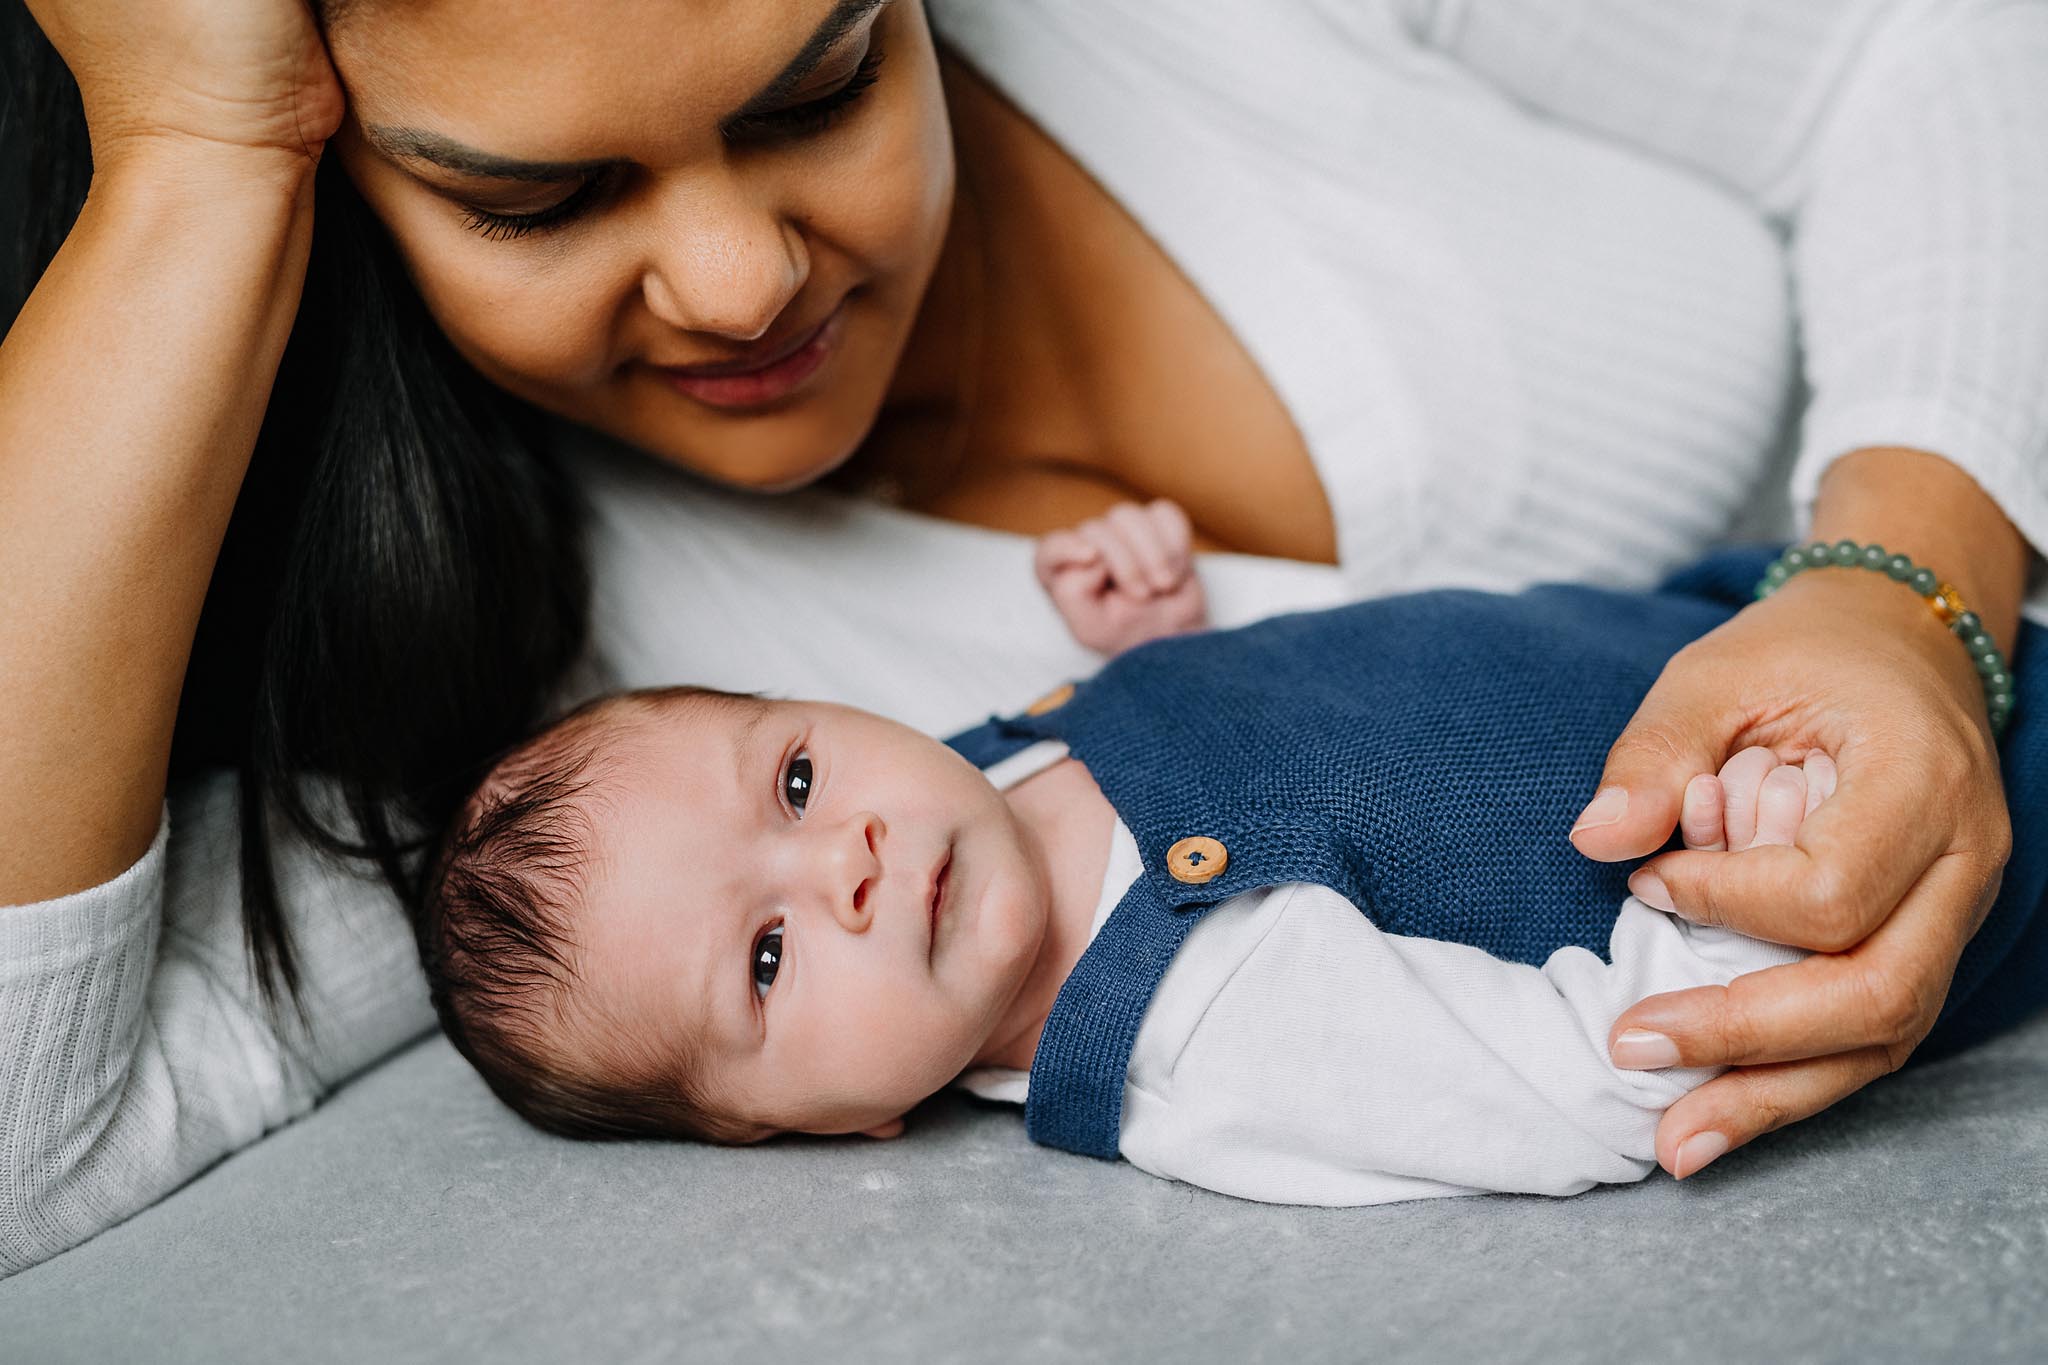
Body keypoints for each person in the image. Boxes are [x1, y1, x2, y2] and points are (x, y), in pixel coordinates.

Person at [5, 0, 2047, 1270]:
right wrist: (188, 172)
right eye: (535, 201)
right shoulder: (525, 737)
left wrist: (1908, 576)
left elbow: (1930, 35)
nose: (737, 280)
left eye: (821, 81)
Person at [412, 519, 2048, 1203]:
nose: (841, 860)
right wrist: (1760, 889)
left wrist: (1163, 647)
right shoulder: (1213, 1029)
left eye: (791, 774)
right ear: (819, 1125)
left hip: (1741, 618)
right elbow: (1594, 1087)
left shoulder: (999, 763)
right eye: (767, 959)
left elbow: (1268, 736)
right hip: (1898, 826)